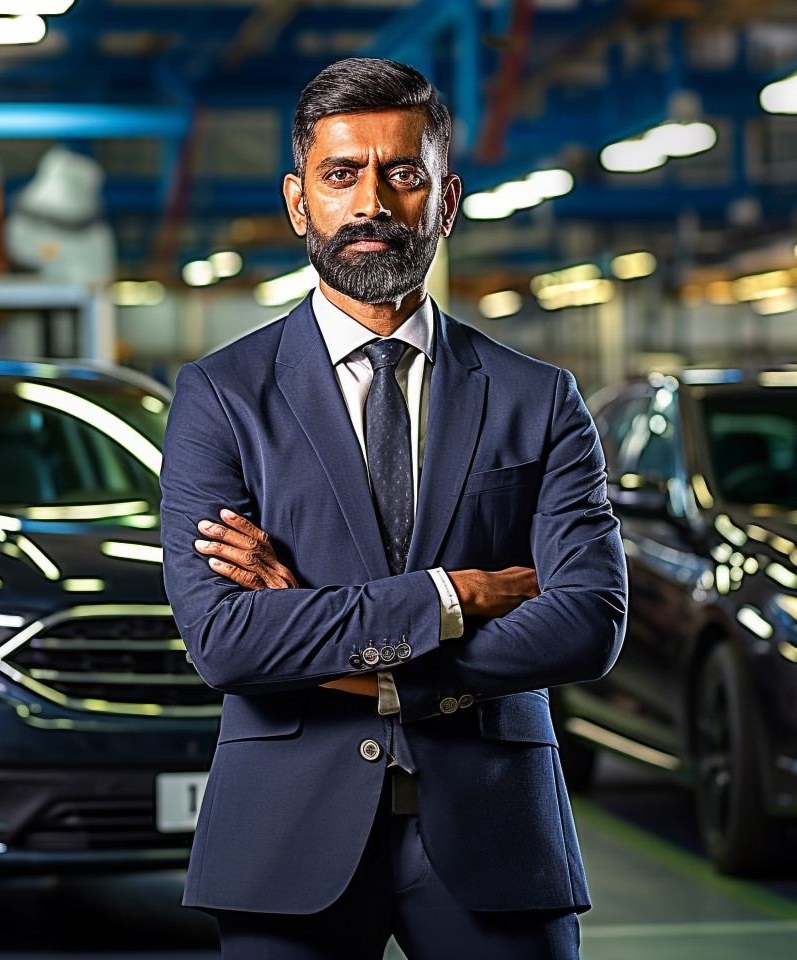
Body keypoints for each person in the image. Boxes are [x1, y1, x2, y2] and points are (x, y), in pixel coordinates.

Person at [159, 57, 627, 960]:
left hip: (498, 830)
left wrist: (351, 661)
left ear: (445, 202)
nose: (371, 201)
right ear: (301, 203)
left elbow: (588, 622)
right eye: (342, 175)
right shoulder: (219, 396)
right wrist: (454, 597)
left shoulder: (540, 398)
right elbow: (224, 640)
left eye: (402, 174)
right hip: (283, 834)